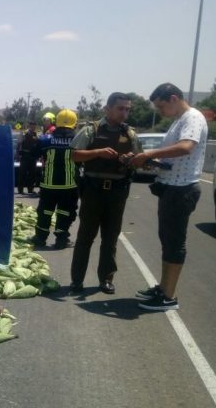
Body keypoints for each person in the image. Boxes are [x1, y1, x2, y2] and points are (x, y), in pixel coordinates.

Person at [130, 83, 207, 311]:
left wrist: (149, 154)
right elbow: (174, 159)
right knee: (167, 241)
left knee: (174, 243)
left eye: (161, 106)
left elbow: (185, 147)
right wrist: (149, 161)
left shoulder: (192, 118)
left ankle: (168, 297)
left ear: (173, 98)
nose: (160, 112)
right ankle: (163, 288)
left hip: (181, 190)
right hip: (173, 186)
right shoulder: (179, 120)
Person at [68, 93, 141, 294]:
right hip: (93, 190)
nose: (124, 113)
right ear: (107, 109)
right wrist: (97, 153)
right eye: (120, 108)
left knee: (110, 238)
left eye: (128, 109)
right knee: (85, 237)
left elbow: (139, 158)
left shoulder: (130, 133)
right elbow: (74, 155)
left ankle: (106, 279)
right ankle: (77, 280)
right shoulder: (91, 130)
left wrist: (130, 158)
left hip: (118, 192)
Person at [30, 109, 79, 249]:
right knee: (65, 212)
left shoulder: (45, 139)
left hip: (48, 185)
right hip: (69, 186)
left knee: (45, 212)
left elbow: (33, 154)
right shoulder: (78, 139)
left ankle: (40, 238)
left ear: (56, 122)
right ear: (74, 124)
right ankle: (61, 240)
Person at [16, 120, 40, 194]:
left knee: (32, 173)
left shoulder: (36, 134)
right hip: (25, 155)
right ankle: (20, 189)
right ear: (29, 126)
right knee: (22, 173)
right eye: (32, 125)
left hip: (33, 156)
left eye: (34, 125)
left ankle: (30, 189)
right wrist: (18, 155)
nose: (33, 127)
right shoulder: (24, 133)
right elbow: (19, 143)